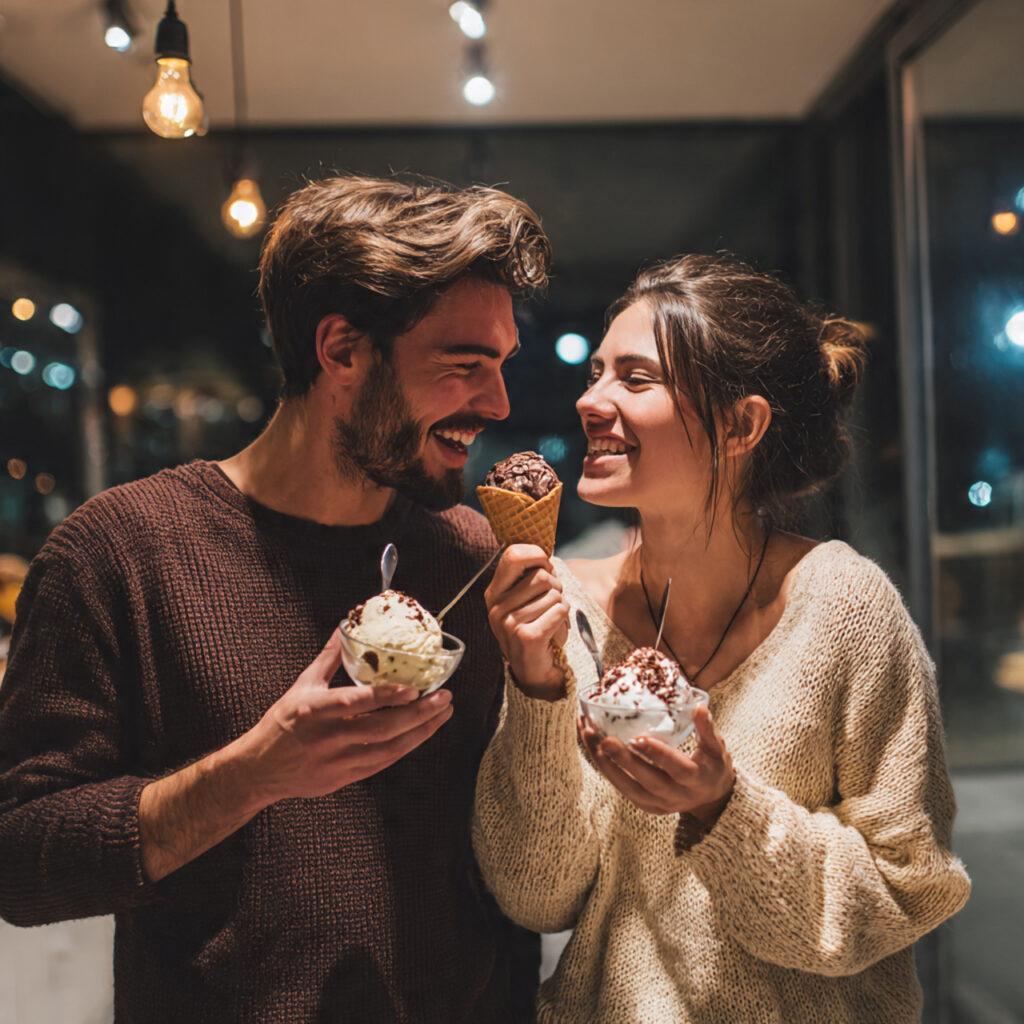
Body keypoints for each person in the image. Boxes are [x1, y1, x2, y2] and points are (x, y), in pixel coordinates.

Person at [0, 174, 552, 1023]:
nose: (499, 402)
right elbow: (21, 860)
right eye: (465, 365)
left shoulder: (469, 557)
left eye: (502, 365)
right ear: (341, 351)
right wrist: (253, 775)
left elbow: (510, 866)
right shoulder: (118, 552)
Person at [474, 254, 971, 1023]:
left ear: (741, 424)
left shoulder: (844, 608)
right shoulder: (561, 608)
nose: (590, 400)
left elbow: (909, 885)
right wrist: (536, 686)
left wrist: (723, 808)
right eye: (596, 371)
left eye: (634, 379)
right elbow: (537, 893)